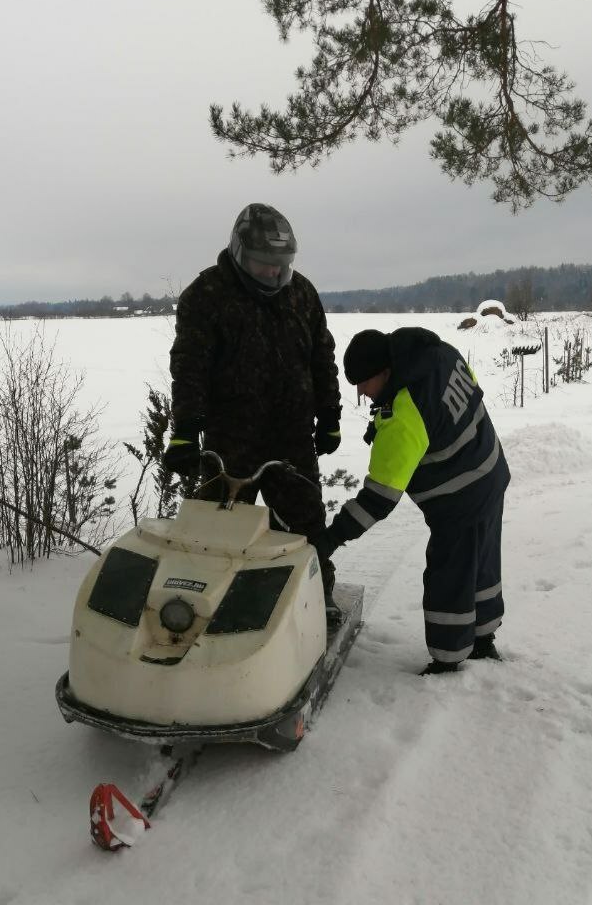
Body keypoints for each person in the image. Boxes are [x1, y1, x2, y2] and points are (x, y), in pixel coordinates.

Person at [164, 203, 342, 617]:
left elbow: (322, 357)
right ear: (241, 253)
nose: (273, 274)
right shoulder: (206, 295)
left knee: (305, 525)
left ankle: (316, 597)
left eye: (281, 265)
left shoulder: (302, 293)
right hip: (231, 440)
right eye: (264, 264)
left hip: (292, 436)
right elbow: (189, 366)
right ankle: (203, 607)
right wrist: (187, 430)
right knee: (215, 532)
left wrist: (329, 415)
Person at [311, 327, 510, 674]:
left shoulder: (403, 413)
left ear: (385, 371)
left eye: (363, 383)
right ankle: (483, 639)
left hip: (459, 499)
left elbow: (379, 498)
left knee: (449, 575)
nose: (360, 392)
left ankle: (448, 662)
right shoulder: (440, 354)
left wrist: (332, 537)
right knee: (482, 560)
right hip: (490, 470)